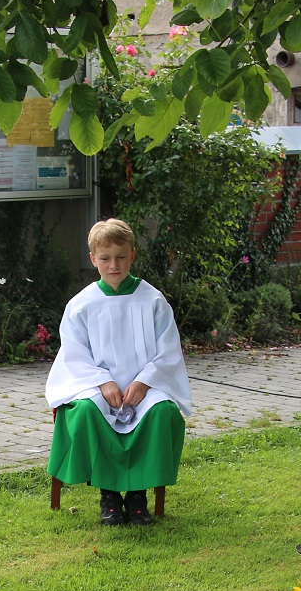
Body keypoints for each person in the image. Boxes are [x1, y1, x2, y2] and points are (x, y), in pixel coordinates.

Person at [46, 218, 192, 525]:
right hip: (96, 387)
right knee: (85, 411)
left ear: (132, 255)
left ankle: (138, 495)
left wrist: (143, 382)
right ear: (93, 259)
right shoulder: (81, 305)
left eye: (121, 257)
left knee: (163, 412)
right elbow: (74, 354)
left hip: (145, 387)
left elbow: (168, 351)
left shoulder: (152, 300)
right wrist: (103, 381)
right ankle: (109, 494)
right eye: (106, 258)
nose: (114, 265)